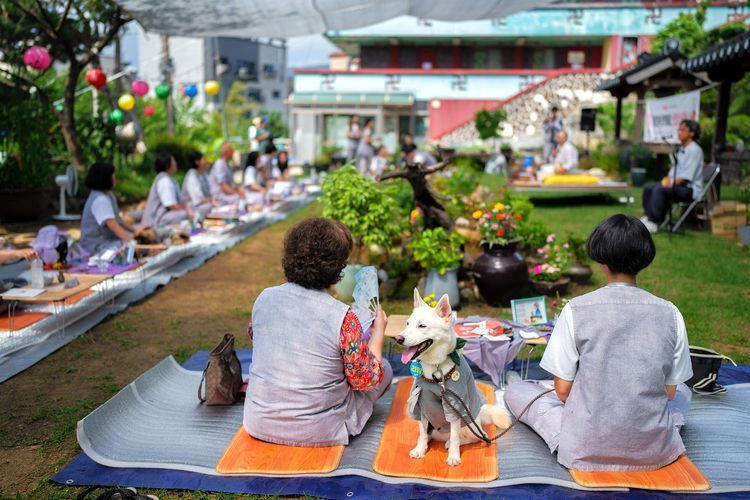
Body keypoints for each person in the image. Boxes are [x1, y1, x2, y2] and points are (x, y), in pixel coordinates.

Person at [504, 214, 693, 472]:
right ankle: (662, 432)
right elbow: (669, 393)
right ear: (644, 259)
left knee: (519, 391)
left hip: (585, 449)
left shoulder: (575, 310)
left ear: (601, 261)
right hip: (652, 452)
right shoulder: (671, 313)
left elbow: (562, 391)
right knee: (683, 391)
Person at [243, 217, 393, 446]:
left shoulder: (264, 298)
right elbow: (366, 380)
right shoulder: (343, 317)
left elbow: (258, 335)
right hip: (319, 430)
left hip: (259, 421)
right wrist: (378, 333)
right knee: (386, 370)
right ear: (338, 268)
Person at [641, 120, 704, 234]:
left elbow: (686, 177)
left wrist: (669, 183)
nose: (679, 132)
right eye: (679, 129)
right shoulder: (681, 149)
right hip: (678, 186)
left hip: (690, 190)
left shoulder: (695, 150)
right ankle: (648, 216)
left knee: (660, 190)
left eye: (682, 130)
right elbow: (674, 171)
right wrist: (667, 179)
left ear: (692, 133)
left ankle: (653, 221)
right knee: (648, 187)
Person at [80, 162, 141, 254]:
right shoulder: (100, 200)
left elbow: (118, 220)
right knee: (131, 249)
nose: (114, 178)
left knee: (138, 238)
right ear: (104, 178)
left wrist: (136, 231)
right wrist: (132, 242)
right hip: (96, 245)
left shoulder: (108, 194)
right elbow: (113, 226)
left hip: (108, 240)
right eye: (112, 175)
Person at [142, 153, 194, 228]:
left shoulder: (170, 178)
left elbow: (181, 201)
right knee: (184, 214)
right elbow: (172, 206)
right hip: (156, 218)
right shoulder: (164, 180)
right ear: (167, 166)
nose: (176, 163)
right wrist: (189, 211)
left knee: (191, 208)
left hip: (165, 214)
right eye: (174, 161)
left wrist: (189, 208)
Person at [182, 151, 216, 218]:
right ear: (197, 162)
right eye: (204, 159)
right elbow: (198, 200)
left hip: (205, 203)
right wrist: (212, 201)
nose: (206, 161)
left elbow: (211, 191)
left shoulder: (203, 174)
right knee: (209, 207)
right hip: (194, 207)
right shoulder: (191, 176)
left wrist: (213, 199)